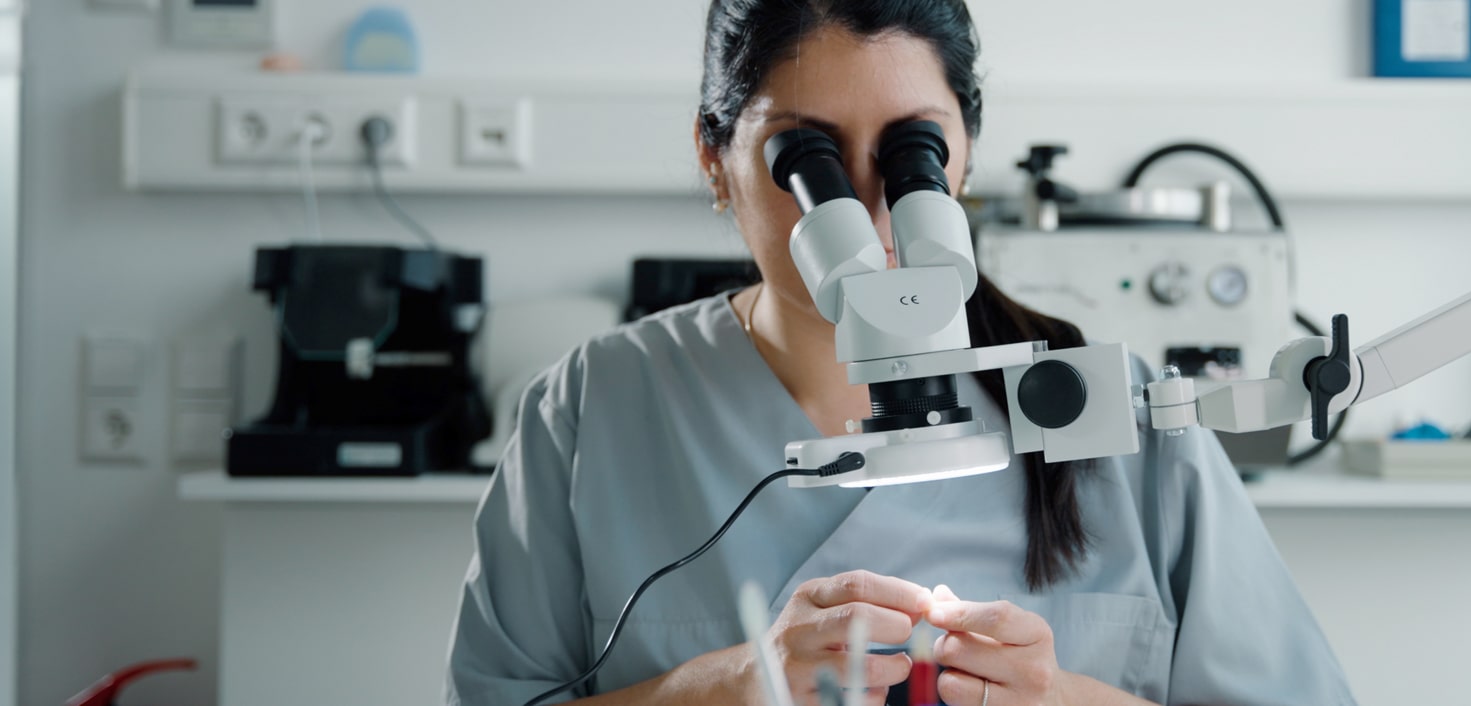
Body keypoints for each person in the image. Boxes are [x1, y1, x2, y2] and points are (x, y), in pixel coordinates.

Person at [446, 1, 1354, 704]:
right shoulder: (589, 408)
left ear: (963, 159)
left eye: (912, 151)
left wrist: (1064, 697)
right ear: (714, 158)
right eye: (806, 157)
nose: (866, 208)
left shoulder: (1109, 409)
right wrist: (730, 686)